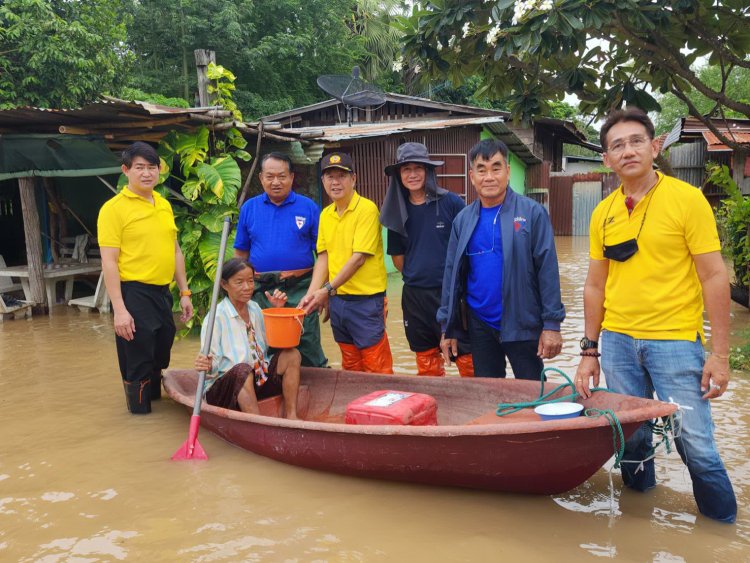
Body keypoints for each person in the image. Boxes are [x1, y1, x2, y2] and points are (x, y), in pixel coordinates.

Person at [574, 107, 736, 523]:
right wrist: (589, 351)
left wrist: (719, 354)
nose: (628, 151)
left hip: (676, 343)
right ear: (606, 159)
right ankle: (637, 522)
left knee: (695, 442)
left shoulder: (687, 199)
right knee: (631, 438)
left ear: (654, 146)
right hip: (618, 344)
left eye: (636, 141)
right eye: (617, 146)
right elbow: (595, 286)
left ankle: (721, 530)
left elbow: (715, 276)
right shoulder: (603, 212)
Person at [438, 139, 565, 379]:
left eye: (496, 168)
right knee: (490, 393)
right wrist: (448, 326)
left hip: (523, 322)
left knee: (532, 393)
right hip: (480, 323)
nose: (489, 177)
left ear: (507, 171)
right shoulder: (463, 220)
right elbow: (451, 275)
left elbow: (547, 271)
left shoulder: (531, 213)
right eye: (481, 169)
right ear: (472, 176)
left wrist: (551, 325)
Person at [98, 142, 194, 414]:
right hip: (133, 292)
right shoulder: (113, 209)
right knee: (138, 357)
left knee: (161, 350)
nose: (147, 173)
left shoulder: (163, 204)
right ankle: (140, 417)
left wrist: (185, 293)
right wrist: (119, 310)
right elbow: (109, 261)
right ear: (126, 170)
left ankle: (152, 408)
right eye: (139, 167)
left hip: (162, 292)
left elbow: (175, 250)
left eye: (152, 167)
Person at [380, 142, 473, 376]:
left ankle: (475, 408)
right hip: (415, 298)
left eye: (418, 168)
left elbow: (468, 248)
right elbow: (398, 259)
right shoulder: (397, 211)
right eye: (406, 169)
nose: (412, 175)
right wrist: (419, 273)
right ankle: (434, 406)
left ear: (428, 171)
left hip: (451, 295)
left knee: (466, 358)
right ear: (399, 175)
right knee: (426, 359)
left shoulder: (451, 203)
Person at [300, 152, 393, 374]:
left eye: (341, 176)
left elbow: (358, 258)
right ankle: (359, 408)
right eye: (330, 176)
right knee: (350, 364)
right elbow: (324, 257)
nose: (335, 182)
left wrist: (327, 289)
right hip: (338, 303)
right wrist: (312, 294)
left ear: (354, 179)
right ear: (322, 181)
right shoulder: (325, 215)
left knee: (376, 365)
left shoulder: (367, 209)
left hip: (366, 302)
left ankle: (382, 407)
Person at [234, 152, 327, 368]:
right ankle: (269, 388)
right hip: (261, 289)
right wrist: (238, 290)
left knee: (307, 341)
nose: (276, 182)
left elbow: (323, 254)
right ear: (261, 178)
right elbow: (241, 254)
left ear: (292, 177)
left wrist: (316, 292)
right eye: (270, 176)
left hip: (301, 287)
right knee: (262, 343)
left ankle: (315, 385)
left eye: (282, 176)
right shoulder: (249, 208)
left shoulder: (309, 207)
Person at [194, 259, 302, 418]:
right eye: (239, 282)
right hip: (225, 389)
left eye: (250, 281)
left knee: (292, 355)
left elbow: (271, 344)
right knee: (242, 370)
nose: (247, 287)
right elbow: (212, 367)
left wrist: (277, 311)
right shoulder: (215, 318)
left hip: (258, 378)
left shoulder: (255, 308)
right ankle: (257, 424)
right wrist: (207, 364)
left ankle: (291, 416)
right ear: (224, 285)